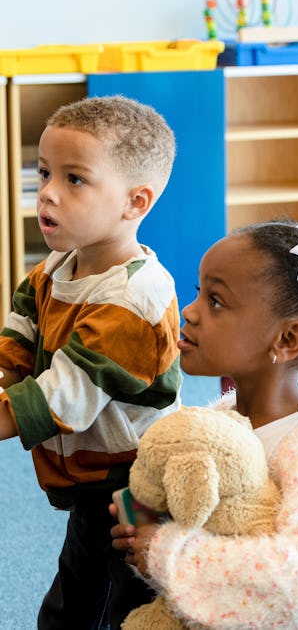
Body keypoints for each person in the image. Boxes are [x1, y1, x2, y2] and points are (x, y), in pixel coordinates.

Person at [111, 221, 298, 629]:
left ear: (288, 339)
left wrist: (165, 551)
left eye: (216, 300)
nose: (190, 310)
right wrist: (144, 535)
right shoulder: (217, 421)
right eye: (199, 292)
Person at [0, 94, 182, 630]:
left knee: (124, 597)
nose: (47, 193)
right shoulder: (54, 267)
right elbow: (16, 347)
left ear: (135, 202)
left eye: (74, 179)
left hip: (136, 479)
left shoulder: (134, 298)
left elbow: (61, 397)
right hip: (89, 473)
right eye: (44, 172)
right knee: (77, 586)